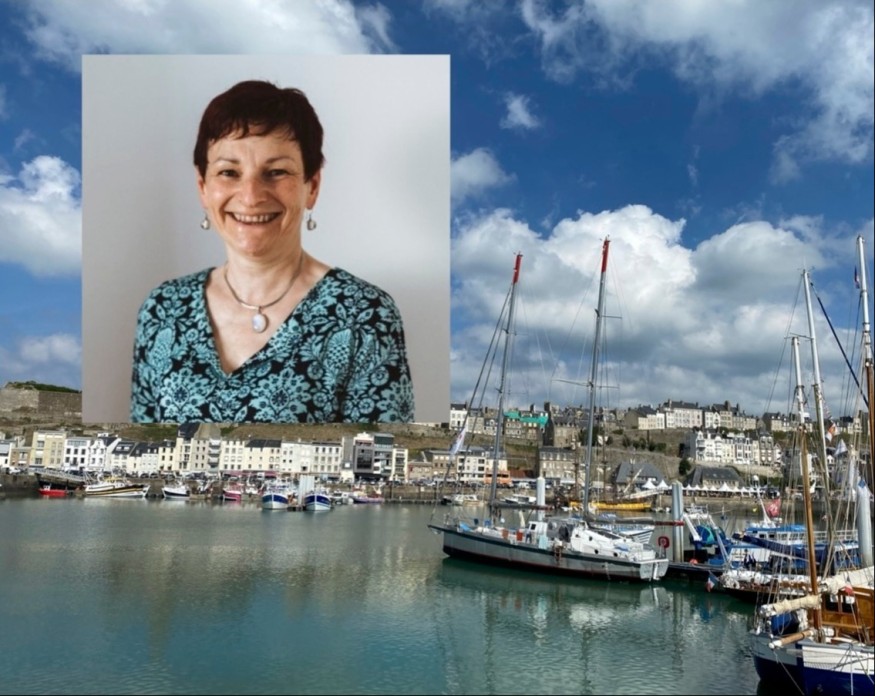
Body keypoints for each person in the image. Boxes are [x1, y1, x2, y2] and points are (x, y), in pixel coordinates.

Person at [130, 80, 414, 423]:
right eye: (229, 172)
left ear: (312, 186)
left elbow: (378, 448)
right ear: (203, 187)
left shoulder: (366, 314)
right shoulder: (161, 309)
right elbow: (143, 434)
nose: (251, 196)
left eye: (276, 172)